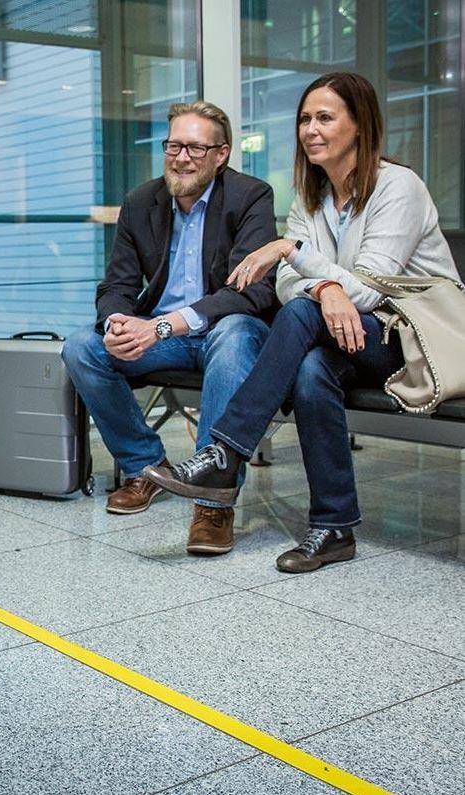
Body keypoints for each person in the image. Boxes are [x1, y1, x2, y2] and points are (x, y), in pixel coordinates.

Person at [144, 72, 460, 573]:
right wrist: (324, 286)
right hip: (344, 336)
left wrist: (293, 253)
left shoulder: (398, 188)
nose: (310, 129)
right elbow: (292, 283)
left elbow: (371, 290)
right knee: (312, 370)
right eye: (304, 119)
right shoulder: (311, 196)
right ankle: (333, 528)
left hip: (411, 340)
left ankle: (225, 452)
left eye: (325, 118)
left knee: (301, 312)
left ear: (360, 126)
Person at [61, 101, 278, 555]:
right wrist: (119, 322)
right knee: (83, 346)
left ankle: (212, 499)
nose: (181, 158)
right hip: (165, 339)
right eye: (173, 146)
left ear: (221, 154)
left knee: (236, 331)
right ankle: (145, 466)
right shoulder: (143, 201)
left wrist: (161, 327)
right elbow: (117, 283)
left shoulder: (250, 196)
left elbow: (252, 292)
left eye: (195, 149)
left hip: (223, 332)